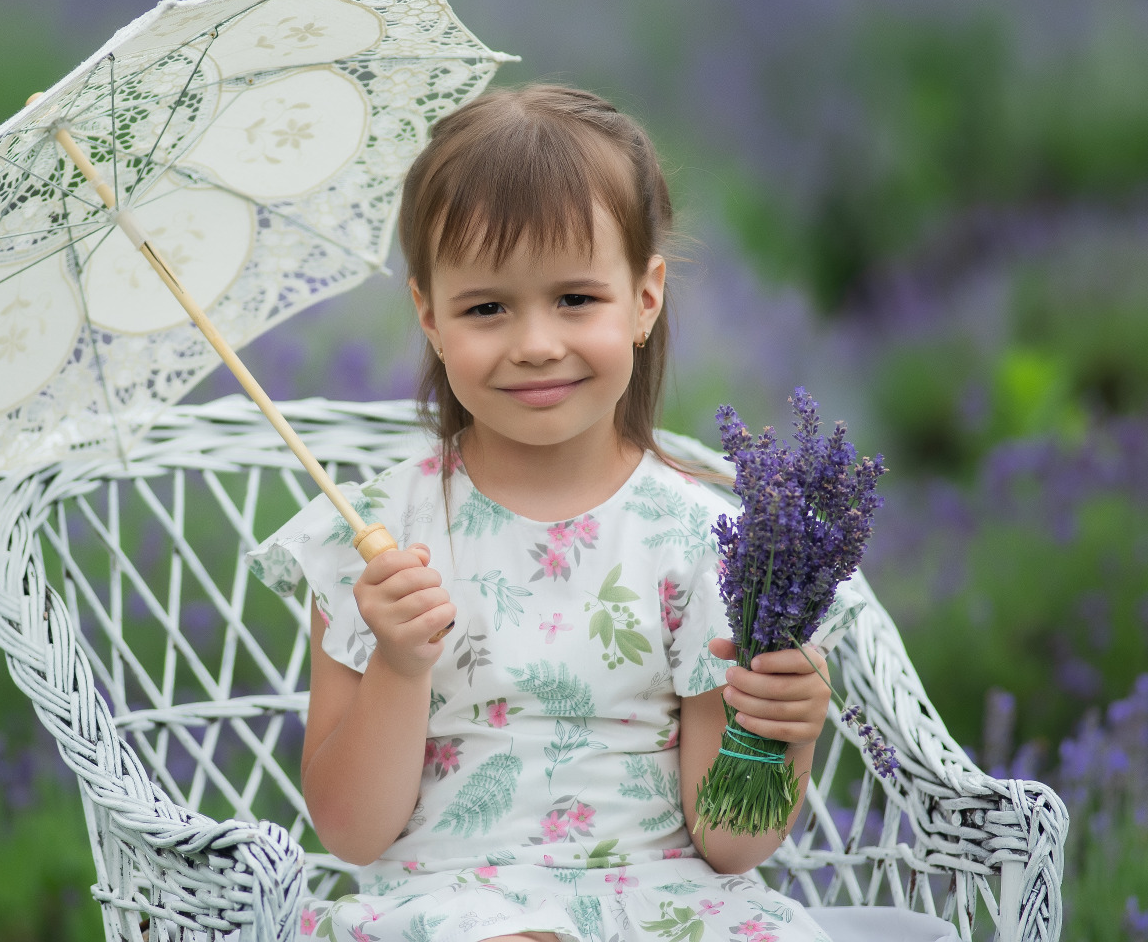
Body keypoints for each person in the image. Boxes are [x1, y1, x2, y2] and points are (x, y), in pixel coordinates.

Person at [247, 85, 864, 942]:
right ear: (429, 314)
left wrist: (781, 736)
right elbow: (351, 832)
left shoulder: (703, 544)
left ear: (644, 298)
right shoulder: (379, 537)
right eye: (486, 308)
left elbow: (729, 845)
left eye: (575, 299)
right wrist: (395, 664)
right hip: (442, 903)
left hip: (657, 903)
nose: (535, 342)